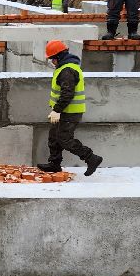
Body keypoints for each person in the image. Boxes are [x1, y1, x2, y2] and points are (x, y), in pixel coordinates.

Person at [41, 40, 103, 175]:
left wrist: (57, 110)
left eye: (52, 59)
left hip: (70, 112)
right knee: (54, 137)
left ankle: (91, 158)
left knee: (65, 139)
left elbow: (67, 93)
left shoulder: (67, 71)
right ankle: (54, 164)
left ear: (59, 57)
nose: (52, 62)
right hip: (64, 111)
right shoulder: (65, 68)